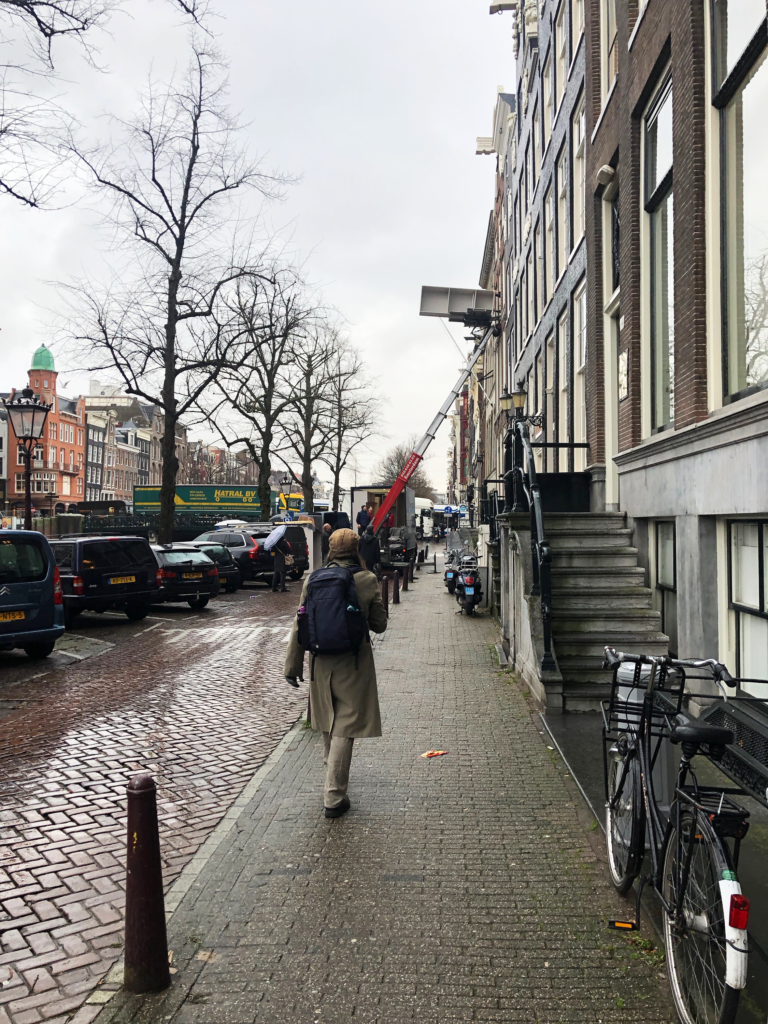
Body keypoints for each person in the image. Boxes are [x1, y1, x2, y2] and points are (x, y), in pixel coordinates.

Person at [284, 529, 387, 818]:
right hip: (353, 663)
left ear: (330, 550)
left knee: (329, 722)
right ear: (356, 550)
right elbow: (380, 625)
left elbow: (298, 624)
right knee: (346, 726)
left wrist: (291, 666)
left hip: (319, 663)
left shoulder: (313, 579)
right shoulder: (366, 579)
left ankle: (331, 782)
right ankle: (333, 797)